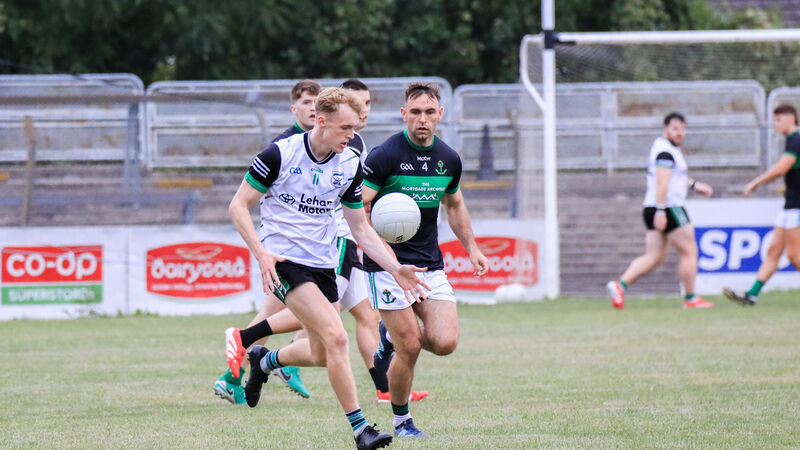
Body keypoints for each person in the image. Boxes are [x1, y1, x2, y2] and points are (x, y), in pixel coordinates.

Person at [230, 87, 430, 449]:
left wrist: (396, 268)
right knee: (338, 338)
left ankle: (263, 361)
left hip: (323, 264)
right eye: (345, 128)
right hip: (284, 261)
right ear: (321, 122)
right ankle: (361, 430)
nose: (352, 136)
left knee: (322, 353)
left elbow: (360, 228)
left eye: (354, 128)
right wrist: (261, 254)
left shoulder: (350, 163)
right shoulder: (280, 154)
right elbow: (238, 206)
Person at [361, 82, 489, 438]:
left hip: (429, 265)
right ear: (404, 114)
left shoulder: (448, 159)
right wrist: (387, 259)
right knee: (412, 346)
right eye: (415, 112)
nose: (422, 119)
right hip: (387, 267)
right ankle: (402, 422)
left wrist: (472, 248)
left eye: (429, 112)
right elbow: (361, 208)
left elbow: (455, 204)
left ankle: (387, 334)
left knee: (445, 342)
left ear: (440, 115)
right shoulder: (384, 156)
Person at [214, 79, 322, 404]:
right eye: (306, 102)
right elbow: (255, 201)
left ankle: (235, 375)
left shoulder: (326, 145)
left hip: (312, 249)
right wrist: (266, 250)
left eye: (318, 101)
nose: (313, 107)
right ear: (294, 108)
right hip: (287, 250)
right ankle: (256, 367)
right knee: (312, 312)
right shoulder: (284, 146)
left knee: (281, 316)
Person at [606, 112, 715, 309]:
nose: (679, 133)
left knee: (653, 256)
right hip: (669, 207)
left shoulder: (666, 149)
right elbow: (662, 182)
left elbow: (676, 176)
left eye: (682, 129)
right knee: (690, 251)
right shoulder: (665, 151)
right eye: (675, 129)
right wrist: (661, 210)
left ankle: (619, 285)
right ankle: (691, 299)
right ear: (665, 129)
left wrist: (694, 185)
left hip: (652, 206)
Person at [724, 104, 800, 306]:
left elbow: (780, 169)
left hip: (797, 206)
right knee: (774, 250)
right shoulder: (791, 141)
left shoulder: (797, 140)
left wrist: (755, 183)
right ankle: (752, 295)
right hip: (789, 205)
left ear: (791, 119)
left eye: (778, 120)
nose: (775, 124)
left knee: (794, 256)